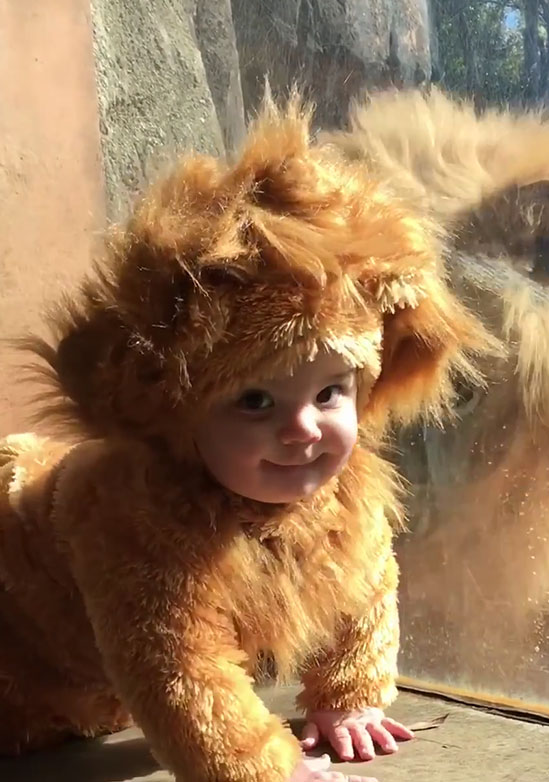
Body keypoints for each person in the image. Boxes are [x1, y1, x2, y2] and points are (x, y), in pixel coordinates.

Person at [0, 93, 492, 782]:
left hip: (105, 681)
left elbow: (364, 584)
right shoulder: (139, 520)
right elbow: (175, 665)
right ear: (182, 409)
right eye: (255, 399)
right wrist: (259, 768)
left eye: (331, 393)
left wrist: (348, 698)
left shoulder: (345, 492)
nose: (303, 428)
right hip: (21, 656)